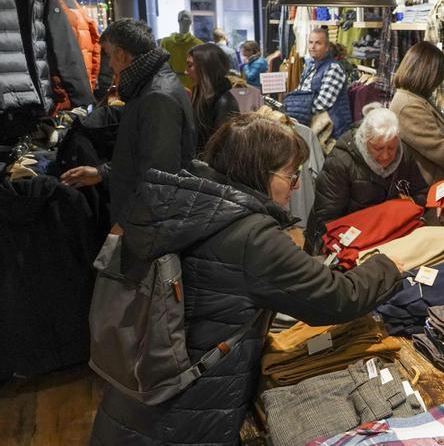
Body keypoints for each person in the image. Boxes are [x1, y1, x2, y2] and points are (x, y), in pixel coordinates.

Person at [88, 113, 405, 446]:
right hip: (187, 412)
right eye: (290, 175)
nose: (296, 185)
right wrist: (387, 267)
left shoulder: (185, 201)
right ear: (258, 172)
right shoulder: (252, 235)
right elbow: (337, 298)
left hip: (138, 390)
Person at [61, 18, 195, 225]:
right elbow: (141, 154)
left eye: (109, 56)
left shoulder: (156, 95)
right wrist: (102, 172)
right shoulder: (147, 86)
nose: (109, 64)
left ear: (121, 54)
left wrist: (128, 224)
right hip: (141, 219)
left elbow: (159, 175)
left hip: (145, 224)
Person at [305, 103, 428, 254]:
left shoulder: (404, 155)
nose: (385, 156)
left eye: (391, 148)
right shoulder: (341, 162)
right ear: (364, 141)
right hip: (349, 243)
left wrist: (410, 204)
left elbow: (422, 192)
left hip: (386, 239)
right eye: (378, 148)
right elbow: (326, 219)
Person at [390, 41, 444, 185]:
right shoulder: (408, 105)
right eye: (439, 75)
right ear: (427, 74)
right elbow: (439, 148)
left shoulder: (416, 98)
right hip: (428, 188)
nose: (440, 81)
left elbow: (439, 136)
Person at [286, 27, 353, 139]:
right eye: (311, 42)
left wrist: (295, 110)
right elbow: (301, 93)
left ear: (327, 47)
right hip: (314, 128)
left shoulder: (333, 68)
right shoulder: (311, 67)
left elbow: (322, 104)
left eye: (318, 43)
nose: (312, 46)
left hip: (332, 132)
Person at [186, 43, 240, 153]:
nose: (186, 71)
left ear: (206, 67)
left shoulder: (225, 102)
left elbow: (224, 149)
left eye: (190, 65)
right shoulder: (200, 94)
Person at [159, 10, 202, 90]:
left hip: (170, 84)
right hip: (191, 85)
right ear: (191, 22)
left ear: (178, 21)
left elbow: (161, 67)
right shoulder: (199, 44)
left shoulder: (165, 42)